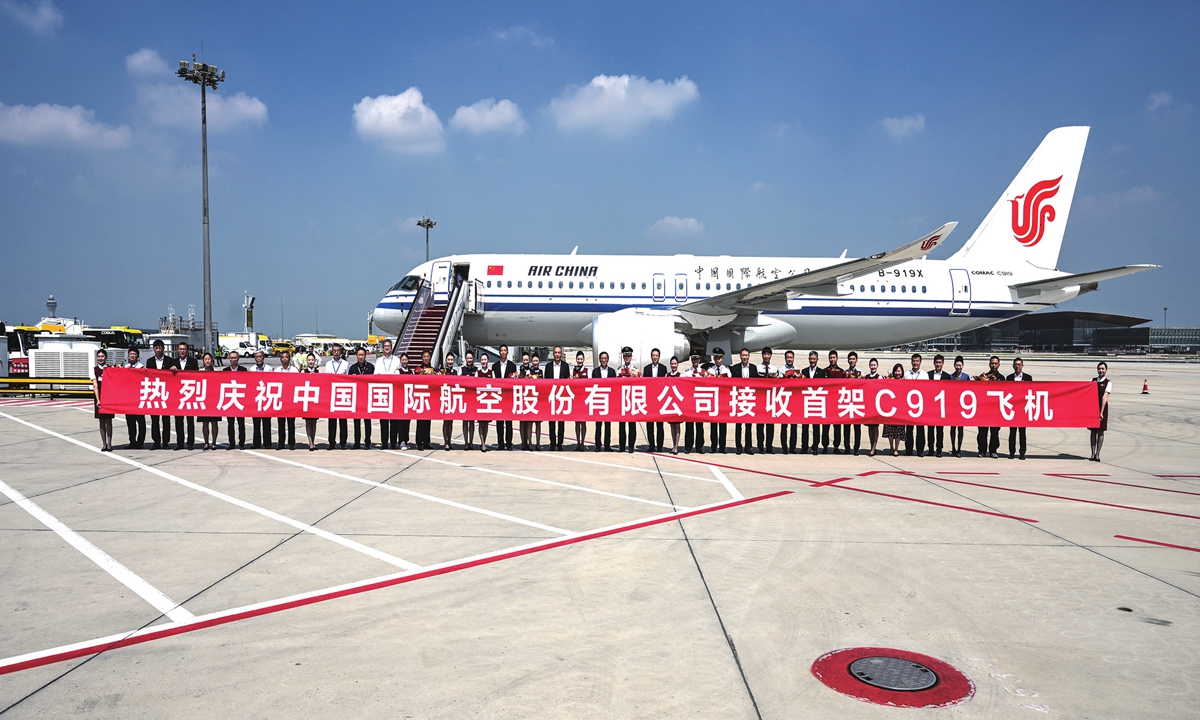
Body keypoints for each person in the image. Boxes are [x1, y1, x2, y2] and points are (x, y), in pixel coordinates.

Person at [144, 339, 176, 449]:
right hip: (154, 393)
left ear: (163, 348)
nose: (158, 350)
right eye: (156, 348)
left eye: (160, 348)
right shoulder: (149, 361)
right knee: (154, 420)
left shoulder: (170, 361)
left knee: (166, 420)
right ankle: (156, 441)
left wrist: (174, 369)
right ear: (153, 349)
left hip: (166, 393)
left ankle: (166, 442)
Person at [731, 347, 759, 454]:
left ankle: (748, 447)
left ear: (749, 356)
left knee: (749, 425)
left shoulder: (753, 368)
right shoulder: (735, 368)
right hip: (739, 398)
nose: (744, 357)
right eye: (743, 355)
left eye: (746, 355)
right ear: (740, 356)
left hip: (749, 398)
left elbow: (757, 383)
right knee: (738, 425)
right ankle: (738, 446)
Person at [172, 342, 199, 451]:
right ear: (177, 351)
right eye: (180, 349)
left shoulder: (193, 362)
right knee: (178, 421)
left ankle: (190, 443)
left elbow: (197, 376)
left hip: (189, 394)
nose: (182, 351)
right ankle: (179, 443)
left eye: (184, 349)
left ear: (187, 351)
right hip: (177, 395)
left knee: (190, 421)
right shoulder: (173, 362)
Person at [375, 339, 401, 449]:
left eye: (389, 346)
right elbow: (376, 375)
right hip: (383, 392)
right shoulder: (379, 361)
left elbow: (399, 374)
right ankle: (384, 443)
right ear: (382, 348)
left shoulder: (397, 360)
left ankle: (394, 442)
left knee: (394, 420)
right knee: (383, 420)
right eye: (385, 346)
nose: (387, 348)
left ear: (391, 347)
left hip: (394, 392)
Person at [976, 355, 1004, 457]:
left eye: (996, 363)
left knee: (995, 432)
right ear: (989, 364)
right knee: (982, 431)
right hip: (984, 409)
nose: (994, 365)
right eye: (992, 363)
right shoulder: (984, 377)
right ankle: (982, 450)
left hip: (996, 409)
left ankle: (993, 450)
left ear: (999, 365)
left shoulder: (1002, 378)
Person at [544, 346, 571, 451]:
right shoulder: (548, 366)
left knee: (561, 422)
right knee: (551, 422)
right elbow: (545, 382)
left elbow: (568, 381)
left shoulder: (565, 366)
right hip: (551, 397)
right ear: (553, 354)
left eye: (559, 353)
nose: (557, 355)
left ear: (561, 354)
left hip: (561, 397)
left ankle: (560, 443)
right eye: (555, 353)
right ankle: (552, 443)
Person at [348, 347, 375, 449]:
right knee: (356, 422)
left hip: (367, 398)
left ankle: (367, 441)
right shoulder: (353, 368)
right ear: (356, 356)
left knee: (367, 421)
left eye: (362, 355)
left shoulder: (371, 367)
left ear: (365, 355)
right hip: (356, 399)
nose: (361, 357)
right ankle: (357, 442)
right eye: (359, 355)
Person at [324, 343, 350, 450]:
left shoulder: (345, 364)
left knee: (343, 420)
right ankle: (331, 442)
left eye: (338, 351)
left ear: (341, 352)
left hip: (342, 394)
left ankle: (343, 442)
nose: (336, 353)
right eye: (334, 351)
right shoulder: (328, 364)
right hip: (332, 394)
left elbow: (348, 379)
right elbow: (326, 378)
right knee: (332, 421)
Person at [800, 351, 826, 455]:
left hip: (816, 402)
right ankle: (804, 447)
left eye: (814, 359)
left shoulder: (821, 372)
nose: (812, 361)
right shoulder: (804, 371)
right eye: (810, 359)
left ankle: (815, 447)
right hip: (806, 401)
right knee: (805, 427)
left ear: (817, 360)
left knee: (816, 427)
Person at [642, 348, 668, 452]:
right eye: (653, 355)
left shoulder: (663, 368)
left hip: (660, 401)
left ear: (659, 357)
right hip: (650, 401)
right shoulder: (646, 368)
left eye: (656, 355)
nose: (655, 357)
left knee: (660, 425)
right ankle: (651, 445)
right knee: (649, 425)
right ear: (651, 356)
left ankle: (660, 446)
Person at [493, 345, 517, 451]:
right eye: (501, 350)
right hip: (498, 396)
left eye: (505, 350)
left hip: (508, 397)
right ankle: (500, 444)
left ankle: (509, 443)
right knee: (499, 422)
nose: (503, 352)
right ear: (499, 352)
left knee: (508, 422)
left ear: (507, 352)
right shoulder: (494, 366)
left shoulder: (512, 366)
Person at [1006, 357, 1031, 460]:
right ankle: (1011, 452)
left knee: (1022, 432)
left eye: (1019, 364)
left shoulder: (1028, 378)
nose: (1017, 366)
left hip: (1023, 409)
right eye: (1015, 364)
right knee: (1012, 432)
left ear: (1022, 366)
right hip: (1012, 408)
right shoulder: (1009, 378)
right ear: (1013, 366)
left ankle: (1022, 452)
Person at [925, 354, 949, 458]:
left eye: (940, 362)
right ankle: (931, 448)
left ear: (943, 364)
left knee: (940, 430)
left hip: (941, 408)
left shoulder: (947, 377)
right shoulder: (928, 375)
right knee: (930, 430)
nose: (938, 364)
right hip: (931, 407)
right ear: (933, 363)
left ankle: (939, 449)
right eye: (936, 362)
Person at [275, 350, 300, 450]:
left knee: (291, 423)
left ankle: (291, 443)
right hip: (280, 400)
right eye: (282, 357)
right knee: (281, 423)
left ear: (289, 359)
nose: (284, 359)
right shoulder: (276, 371)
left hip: (291, 400)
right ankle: (281, 443)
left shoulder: (294, 370)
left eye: (286, 357)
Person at [223, 351, 248, 450]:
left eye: (235, 358)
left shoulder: (243, 370)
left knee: (241, 424)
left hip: (240, 400)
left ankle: (241, 443)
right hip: (229, 400)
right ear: (229, 359)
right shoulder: (225, 371)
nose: (233, 360)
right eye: (231, 358)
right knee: (230, 424)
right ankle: (231, 443)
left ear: (238, 359)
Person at [682, 354, 706, 454]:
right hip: (690, 401)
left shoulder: (703, 372)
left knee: (700, 426)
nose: (695, 360)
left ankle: (699, 446)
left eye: (697, 359)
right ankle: (688, 446)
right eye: (693, 359)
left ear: (699, 359)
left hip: (700, 401)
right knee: (689, 426)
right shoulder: (687, 373)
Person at [616, 347, 640, 453]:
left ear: (631, 357)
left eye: (629, 356)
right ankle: (622, 446)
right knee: (622, 426)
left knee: (632, 425)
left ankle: (631, 446)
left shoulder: (635, 370)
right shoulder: (618, 370)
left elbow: (640, 383)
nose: (627, 358)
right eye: (625, 356)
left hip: (632, 400)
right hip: (622, 401)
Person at [823, 350, 846, 453]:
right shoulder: (824, 371)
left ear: (837, 358)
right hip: (827, 403)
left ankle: (836, 446)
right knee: (825, 427)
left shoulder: (842, 372)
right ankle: (825, 446)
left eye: (834, 357)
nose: (832, 359)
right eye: (830, 358)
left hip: (837, 403)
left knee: (837, 427)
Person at [249, 350, 273, 449]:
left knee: (266, 422)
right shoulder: (252, 369)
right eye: (257, 357)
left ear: (263, 357)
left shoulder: (269, 368)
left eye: (260, 356)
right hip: (256, 398)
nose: (258, 358)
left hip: (266, 398)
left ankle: (267, 443)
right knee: (256, 423)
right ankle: (256, 443)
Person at [947, 356, 971, 457]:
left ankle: (959, 448)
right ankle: (953, 447)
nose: (958, 367)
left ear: (963, 366)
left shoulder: (966, 377)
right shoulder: (950, 377)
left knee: (960, 429)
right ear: (954, 366)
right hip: (953, 406)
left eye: (960, 365)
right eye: (957, 365)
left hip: (962, 407)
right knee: (953, 428)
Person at [903, 353, 927, 457]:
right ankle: (909, 450)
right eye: (913, 361)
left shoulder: (924, 374)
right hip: (909, 405)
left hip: (920, 405)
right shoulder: (907, 374)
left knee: (920, 429)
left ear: (920, 362)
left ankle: (920, 450)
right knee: (909, 430)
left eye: (917, 361)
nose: (915, 363)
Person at [708, 348, 730, 453]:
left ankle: (722, 447)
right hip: (713, 401)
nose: (717, 360)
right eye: (716, 358)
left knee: (722, 426)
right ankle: (713, 446)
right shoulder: (710, 371)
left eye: (719, 358)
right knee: (713, 426)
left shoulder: (726, 371)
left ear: (723, 359)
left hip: (723, 401)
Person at [592, 351, 616, 451]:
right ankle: (597, 445)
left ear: (608, 359)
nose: (603, 360)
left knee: (608, 425)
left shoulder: (612, 371)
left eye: (605, 358)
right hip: (598, 400)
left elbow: (615, 387)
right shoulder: (595, 371)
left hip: (608, 401)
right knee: (598, 425)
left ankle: (607, 445)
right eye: (602, 358)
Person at [123, 347, 146, 449]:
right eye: (130, 354)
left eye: (134, 354)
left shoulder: (142, 368)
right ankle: (132, 441)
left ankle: (140, 442)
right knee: (130, 422)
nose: (132, 356)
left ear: (138, 356)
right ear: (128, 356)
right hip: (128, 399)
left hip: (139, 399)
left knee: (141, 422)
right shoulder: (126, 367)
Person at [92, 349, 114, 451]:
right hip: (99, 397)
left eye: (102, 356)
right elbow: (95, 386)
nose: (100, 358)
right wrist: (98, 400)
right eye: (99, 356)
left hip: (109, 397)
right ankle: (104, 444)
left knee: (108, 421)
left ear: (106, 357)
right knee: (101, 421)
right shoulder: (94, 369)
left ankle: (109, 443)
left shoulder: (110, 368)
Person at [198, 352, 221, 450]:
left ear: (212, 360)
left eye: (209, 359)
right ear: (203, 361)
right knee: (205, 423)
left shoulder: (217, 372)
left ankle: (214, 442)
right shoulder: (199, 372)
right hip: (203, 400)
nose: (207, 361)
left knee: (214, 422)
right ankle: (206, 442)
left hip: (214, 400)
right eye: (205, 359)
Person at [756, 347, 777, 454]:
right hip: (760, 400)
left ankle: (769, 446)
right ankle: (760, 446)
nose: (766, 356)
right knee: (760, 425)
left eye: (768, 354)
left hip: (770, 400)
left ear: (771, 356)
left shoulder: (774, 369)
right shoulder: (757, 368)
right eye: (765, 354)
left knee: (770, 425)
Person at [883, 363, 908, 456]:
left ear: (902, 372)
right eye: (896, 371)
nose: (897, 373)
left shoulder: (905, 382)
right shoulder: (889, 380)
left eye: (899, 371)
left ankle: (896, 448)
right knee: (890, 429)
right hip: (890, 408)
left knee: (898, 430)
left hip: (900, 409)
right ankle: (891, 447)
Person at [779, 351, 801, 454]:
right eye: (787, 357)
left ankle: (792, 447)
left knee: (794, 426)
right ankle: (784, 447)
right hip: (784, 400)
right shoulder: (781, 370)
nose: (789, 359)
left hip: (794, 401)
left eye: (791, 357)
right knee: (784, 426)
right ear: (785, 358)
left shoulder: (797, 371)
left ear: (793, 358)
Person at [843, 351, 864, 455]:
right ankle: (847, 448)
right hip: (847, 402)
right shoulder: (845, 373)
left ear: (856, 360)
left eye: (853, 359)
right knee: (846, 428)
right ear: (848, 360)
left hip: (856, 402)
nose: (851, 361)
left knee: (857, 428)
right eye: (850, 359)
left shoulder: (861, 373)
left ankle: (856, 448)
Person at [1089, 361, 1111, 462]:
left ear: (1106, 370)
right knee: (1093, 431)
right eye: (1099, 368)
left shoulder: (1108, 383)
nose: (1101, 370)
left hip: (1102, 408)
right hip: (1092, 408)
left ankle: (1098, 454)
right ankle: (1092, 453)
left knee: (1100, 431)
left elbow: (1104, 398)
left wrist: (1101, 412)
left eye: (1102, 369)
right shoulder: (1092, 380)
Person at [414, 350, 436, 450]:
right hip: (420, 397)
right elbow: (417, 374)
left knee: (428, 422)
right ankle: (419, 442)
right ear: (422, 358)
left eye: (428, 356)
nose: (426, 358)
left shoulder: (433, 370)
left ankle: (426, 442)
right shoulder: (418, 369)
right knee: (420, 422)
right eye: (424, 356)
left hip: (429, 398)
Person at [459, 351, 479, 450]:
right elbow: (457, 383)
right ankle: (466, 442)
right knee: (465, 421)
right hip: (464, 399)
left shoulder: (477, 370)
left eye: (471, 358)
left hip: (473, 399)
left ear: (473, 359)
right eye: (468, 358)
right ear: (465, 359)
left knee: (471, 422)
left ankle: (471, 442)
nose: (469, 360)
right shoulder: (461, 370)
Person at [301, 353, 321, 450]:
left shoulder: (318, 372)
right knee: (308, 421)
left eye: (312, 360)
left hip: (315, 400)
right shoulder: (302, 372)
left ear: (315, 361)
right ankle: (310, 443)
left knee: (314, 422)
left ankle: (313, 440)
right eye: (309, 360)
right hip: (306, 400)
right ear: (306, 361)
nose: (311, 362)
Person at [394, 353, 413, 449]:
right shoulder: (398, 371)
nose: (404, 361)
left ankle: (406, 440)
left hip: (408, 399)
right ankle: (401, 441)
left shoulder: (411, 372)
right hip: (400, 400)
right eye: (403, 360)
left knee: (407, 422)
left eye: (406, 360)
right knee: (401, 422)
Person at [863, 358, 883, 456]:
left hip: (876, 405)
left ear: (877, 366)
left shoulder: (879, 377)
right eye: (871, 365)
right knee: (870, 427)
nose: (873, 367)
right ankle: (872, 446)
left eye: (874, 365)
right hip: (868, 405)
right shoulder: (866, 377)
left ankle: (874, 447)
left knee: (875, 427)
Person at [572, 350, 590, 450]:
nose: (580, 361)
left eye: (581, 359)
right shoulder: (573, 370)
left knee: (583, 422)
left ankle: (583, 442)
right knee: (577, 422)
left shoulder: (587, 370)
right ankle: (578, 442)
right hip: (576, 399)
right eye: (578, 359)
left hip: (584, 399)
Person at [440, 352, 458, 450]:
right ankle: (445, 441)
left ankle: (449, 440)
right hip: (444, 397)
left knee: (450, 422)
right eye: (448, 360)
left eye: (451, 360)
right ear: (446, 361)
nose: (450, 362)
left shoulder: (455, 372)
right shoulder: (442, 371)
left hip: (452, 398)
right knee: (445, 421)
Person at [476, 352, 493, 452]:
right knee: (481, 423)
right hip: (480, 401)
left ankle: (484, 442)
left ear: (488, 361)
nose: (483, 361)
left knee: (486, 424)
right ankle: (482, 443)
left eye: (485, 360)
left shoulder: (492, 372)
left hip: (488, 401)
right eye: (482, 360)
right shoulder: (477, 373)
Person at [666, 356, 683, 454]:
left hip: (677, 404)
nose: (673, 365)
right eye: (672, 364)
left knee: (677, 425)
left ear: (677, 364)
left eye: (675, 364)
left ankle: (676, 446)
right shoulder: (667, 375)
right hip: (670, 404)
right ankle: (673, 445)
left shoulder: (681, 375)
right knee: (672, 425)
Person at [528, 354, 544, 450]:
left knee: (538, 424)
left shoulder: (542, 372)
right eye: (533, 361)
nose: (535, 363)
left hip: (538, 400)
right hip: (529, 399)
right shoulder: (528, 372)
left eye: (536, 361)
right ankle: (530, 442)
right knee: (530, 423)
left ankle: (538, 443)